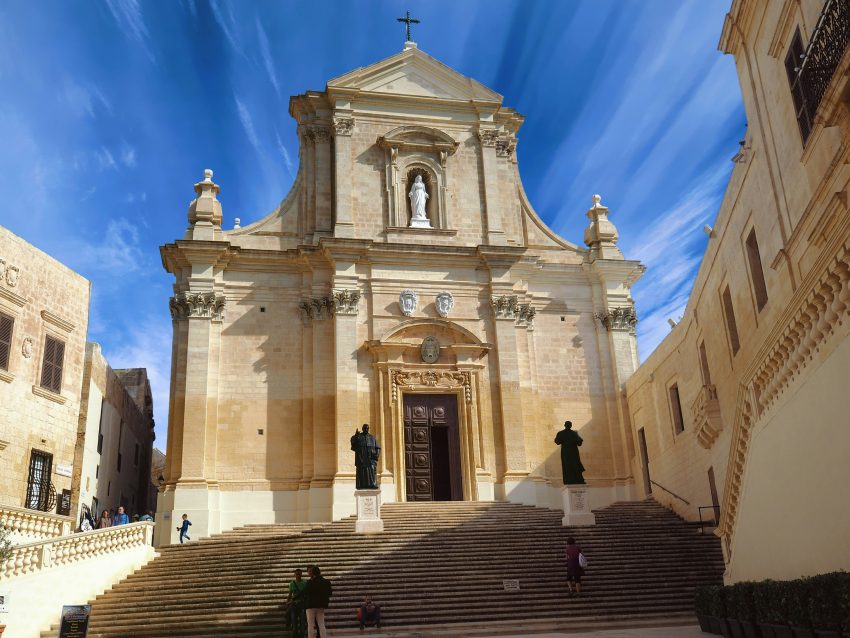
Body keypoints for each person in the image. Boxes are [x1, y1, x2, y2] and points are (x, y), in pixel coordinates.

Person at [304, 565, 332, 638]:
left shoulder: (310, 582)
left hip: (310, 606)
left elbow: (305, 593)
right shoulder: (326, 581)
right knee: (321, 624)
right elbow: (330, 593)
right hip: (321, 605)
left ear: (313, 573)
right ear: (320, 572)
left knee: (310, 624)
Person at [554, 420, 586, 485]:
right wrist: (579, 438)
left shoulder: (563, 433)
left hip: (568, 453)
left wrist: (579, 438)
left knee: (571, 465)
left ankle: (573, 480)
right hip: (571, 453)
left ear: (565, 425)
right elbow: (579, 443)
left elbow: (557, 442)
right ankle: (575, 480)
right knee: (573, 465)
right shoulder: (573, 433)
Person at [350, 424, 381, 490]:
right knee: (362, 472)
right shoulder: (358, 437)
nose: (366, 429)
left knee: (371, 471)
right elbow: (353, 445)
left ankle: (372, 484)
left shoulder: (372, 437)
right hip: (361, 458)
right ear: (362, 429)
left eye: (367, 428)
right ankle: (362, 485)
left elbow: (377, 447)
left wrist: (377, 455)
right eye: (365, 428)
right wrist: (356, 436)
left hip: (371, 458)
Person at [286, 568, 308, 638]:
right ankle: (295, 634)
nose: (298, 575)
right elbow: (290, 594)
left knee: (302, 622)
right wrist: (287, 603)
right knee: (294, 621)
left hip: (302, 604)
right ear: (294, 574)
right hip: (294, 605)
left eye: (299, 574)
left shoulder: (305, 583)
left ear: (301, 574)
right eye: (297, 574)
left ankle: (302, 635)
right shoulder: (292, 583)